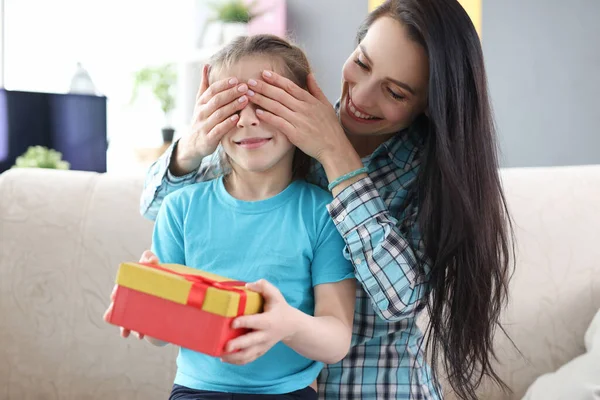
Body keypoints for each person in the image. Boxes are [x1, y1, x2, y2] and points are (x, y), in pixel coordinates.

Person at [137, 0, 514, 399]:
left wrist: (337, 155)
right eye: (362, 64)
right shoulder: (276, 130)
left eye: (395, 92)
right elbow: (161, 208)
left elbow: (400, 302)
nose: (362, 97)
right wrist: (193, 145)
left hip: (379, 388)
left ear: (430, 104)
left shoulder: (429, 175)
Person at [106, 35, 357, 400]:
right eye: (231, 105)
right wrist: (144, 307)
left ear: (302, 108)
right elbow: (161, 337)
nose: (247, 120)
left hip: (287, 392)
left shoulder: (323, 213)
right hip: (197, 390)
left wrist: (287, 324)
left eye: (266, 102)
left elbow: (336, 339)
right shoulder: (180, 209)